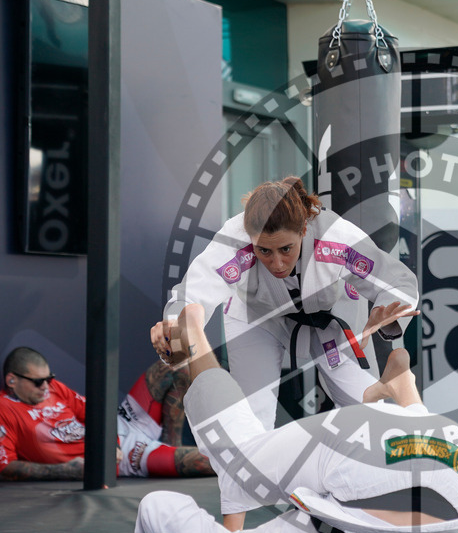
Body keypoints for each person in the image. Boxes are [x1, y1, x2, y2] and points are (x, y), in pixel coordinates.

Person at [133, 303, 458, 533]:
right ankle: (192, 340)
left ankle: (406, 393)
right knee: (241, 462)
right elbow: (159, 509)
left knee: (245, 463)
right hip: (382, 479)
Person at [150, 176, 419, 434]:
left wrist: (388, 315)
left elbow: (398, 281)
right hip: (257, 318)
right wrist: (173, 328)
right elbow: (191, 295)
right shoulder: (235, 239)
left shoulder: (335, 236)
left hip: (330, 317)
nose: (277, 263)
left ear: (303, 230)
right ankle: (254, 480)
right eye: (264, 251)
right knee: (252, 419)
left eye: (286, 249)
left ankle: (371, 460)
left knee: (365, 412)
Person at [0, 348, 215, 481]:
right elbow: (3, 469)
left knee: (176, 365)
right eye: (38, 382)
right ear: (11, 380)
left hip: (121, 425)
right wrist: (69, 469)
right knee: (213, 461)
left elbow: (96, 412)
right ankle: (166, 456)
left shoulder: (54, 388)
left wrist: (108, 441)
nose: (46, 387)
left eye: (49, 379)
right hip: (127, 455)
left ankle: (169, 444)